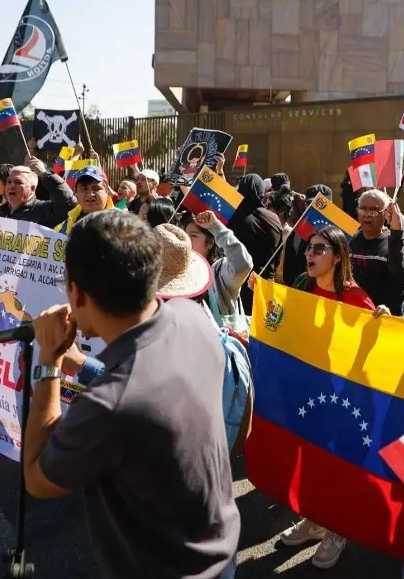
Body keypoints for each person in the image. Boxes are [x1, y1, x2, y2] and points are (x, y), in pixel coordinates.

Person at [23, 211, 240, 579]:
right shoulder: (193, 319)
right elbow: (146, 382)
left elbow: (37, 478)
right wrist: (81, 364)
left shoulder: (109, 406)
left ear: (76, 292)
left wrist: (49, 362)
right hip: (220, 555)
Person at [280, 225, 386, 569]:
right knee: (312, 458)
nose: (310, 254)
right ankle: (314, 519)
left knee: (340, 462)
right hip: (313, 391)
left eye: (319, 249)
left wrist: (382, 319)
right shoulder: (303, 287)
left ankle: (337, 529)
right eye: (309, 248)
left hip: (349, 396)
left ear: (338, 257)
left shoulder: (356, 297)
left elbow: (375, 346)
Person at [182, 210, 254, 326]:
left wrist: (215, 227)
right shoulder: (178, 270)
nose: (187, 241)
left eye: (193, 235)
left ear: (210, 243)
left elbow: (243, 264)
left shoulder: (219, 272)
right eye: (185, 235)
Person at [350, 190, 404, 315]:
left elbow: (401, 288)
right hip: (351, 316)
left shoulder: (397, 245)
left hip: (382, 318)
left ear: (385, 213)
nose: (367, 215)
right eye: (363, 210)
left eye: (373, 210)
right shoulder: (349, 240)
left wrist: (386, 307)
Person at [230, 173, 283, 310]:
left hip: (237, 285)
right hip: (265, 284)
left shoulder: (232, 217)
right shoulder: (274, 219)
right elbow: (277, 256)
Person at [0, 158, 76, 229]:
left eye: (18, 182)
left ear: (32, 188)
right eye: (9, 182)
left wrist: (45, 174)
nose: (11, 186)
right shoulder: (2, 212)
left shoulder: (45, 210)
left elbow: (69, 204)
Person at [277, 184, 330, 286]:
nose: (313, 207)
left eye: (319, 204)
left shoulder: (338, 235)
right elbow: (288, 267)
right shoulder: (297, 232)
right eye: (309, 203)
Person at [54, 166, 115, 235]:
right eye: (84, 189)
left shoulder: (122, 223)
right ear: (76, 193)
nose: (90, 194)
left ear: (106, 190)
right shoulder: (63, 227)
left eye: (96, 188)